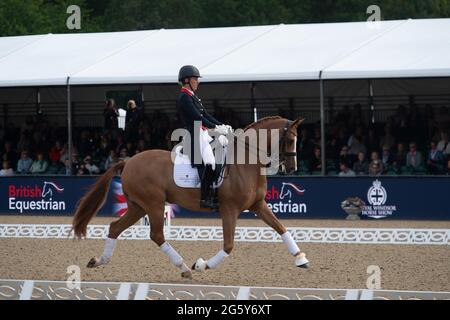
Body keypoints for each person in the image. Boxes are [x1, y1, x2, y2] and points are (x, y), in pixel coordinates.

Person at [176, 65, 231, 209]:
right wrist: (215, 128)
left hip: (202, 133)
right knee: (209, 162)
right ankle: (205, 198)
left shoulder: (193, 97)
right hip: (193, 134)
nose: (197, 81)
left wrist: (221, 125)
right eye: (195, 79)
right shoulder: (184, 97)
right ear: (186, 80)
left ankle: (215, 192)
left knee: (221, 152)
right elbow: (197, 117)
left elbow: (206, 115)